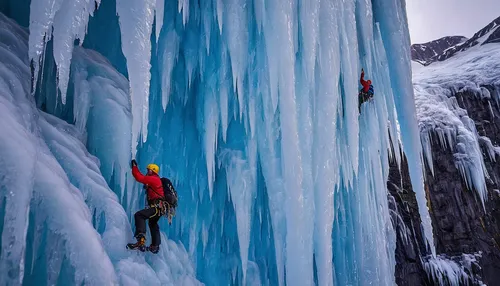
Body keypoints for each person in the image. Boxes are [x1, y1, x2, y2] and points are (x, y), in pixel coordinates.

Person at [126, 160, 165, 253]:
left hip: (156, 207)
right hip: (159, 208)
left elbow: (139, 177)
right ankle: (155, 246)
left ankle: (141, 240)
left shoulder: (154, 179)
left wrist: (134, 167)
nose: (147, 172)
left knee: (139, 215)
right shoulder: (155, 180)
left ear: (152, 171)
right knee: (152, 223)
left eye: (148, 170)